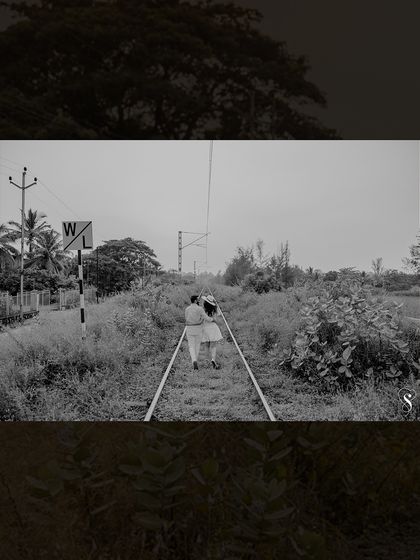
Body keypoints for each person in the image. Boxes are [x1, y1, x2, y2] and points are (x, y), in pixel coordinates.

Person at [185, 294, 213, 370]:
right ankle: (195, 360)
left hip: (190, 329)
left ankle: (194, 360)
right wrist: (212, 319)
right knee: (197, 345)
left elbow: (186, 319)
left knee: (191, 346)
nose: (199, 301)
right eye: (198, 300)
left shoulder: (187, 309)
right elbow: (206, 318)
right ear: (195, 301)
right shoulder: (200, 309)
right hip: (198, 329)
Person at [201, 295, 223, 369]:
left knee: (206, 346)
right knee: (213, 346)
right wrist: (213, 319)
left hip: (205, 328)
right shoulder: (215, 310)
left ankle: (207, 361)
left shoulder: (203, 310)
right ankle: (213, 359)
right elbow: (217, 320)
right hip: (213, 328)